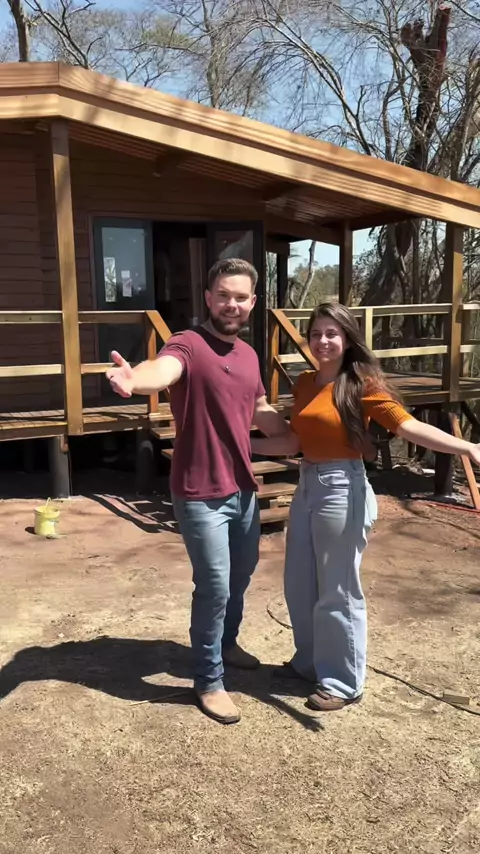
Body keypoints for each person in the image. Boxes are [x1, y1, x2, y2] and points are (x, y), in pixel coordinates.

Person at [251, 302, 480, 712]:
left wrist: (466, 447)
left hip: (342, 487)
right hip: (307, 484)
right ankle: (309, 662)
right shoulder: (305, 383)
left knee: (337, 587)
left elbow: (407, 425)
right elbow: (293, 442)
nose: (322, 341)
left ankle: (342, 681)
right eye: (316, 333)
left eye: (331, 333)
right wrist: (241, 444)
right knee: (300, 582)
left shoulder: (361, 384)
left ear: (347, 338)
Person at [106, 258, 290, 725]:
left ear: (253, 302)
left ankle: (226, 644)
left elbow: (259, 406)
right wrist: (133, 379)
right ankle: (208, 680)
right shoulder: (188, 343)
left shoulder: (248, 356)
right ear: (209, 298)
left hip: (243, 488)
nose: (231, 304)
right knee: (214, 586)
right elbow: (162, 369)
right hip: (199, 491)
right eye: (223, 295)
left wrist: (298, 433)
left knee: (241, 575)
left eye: (240, 297)